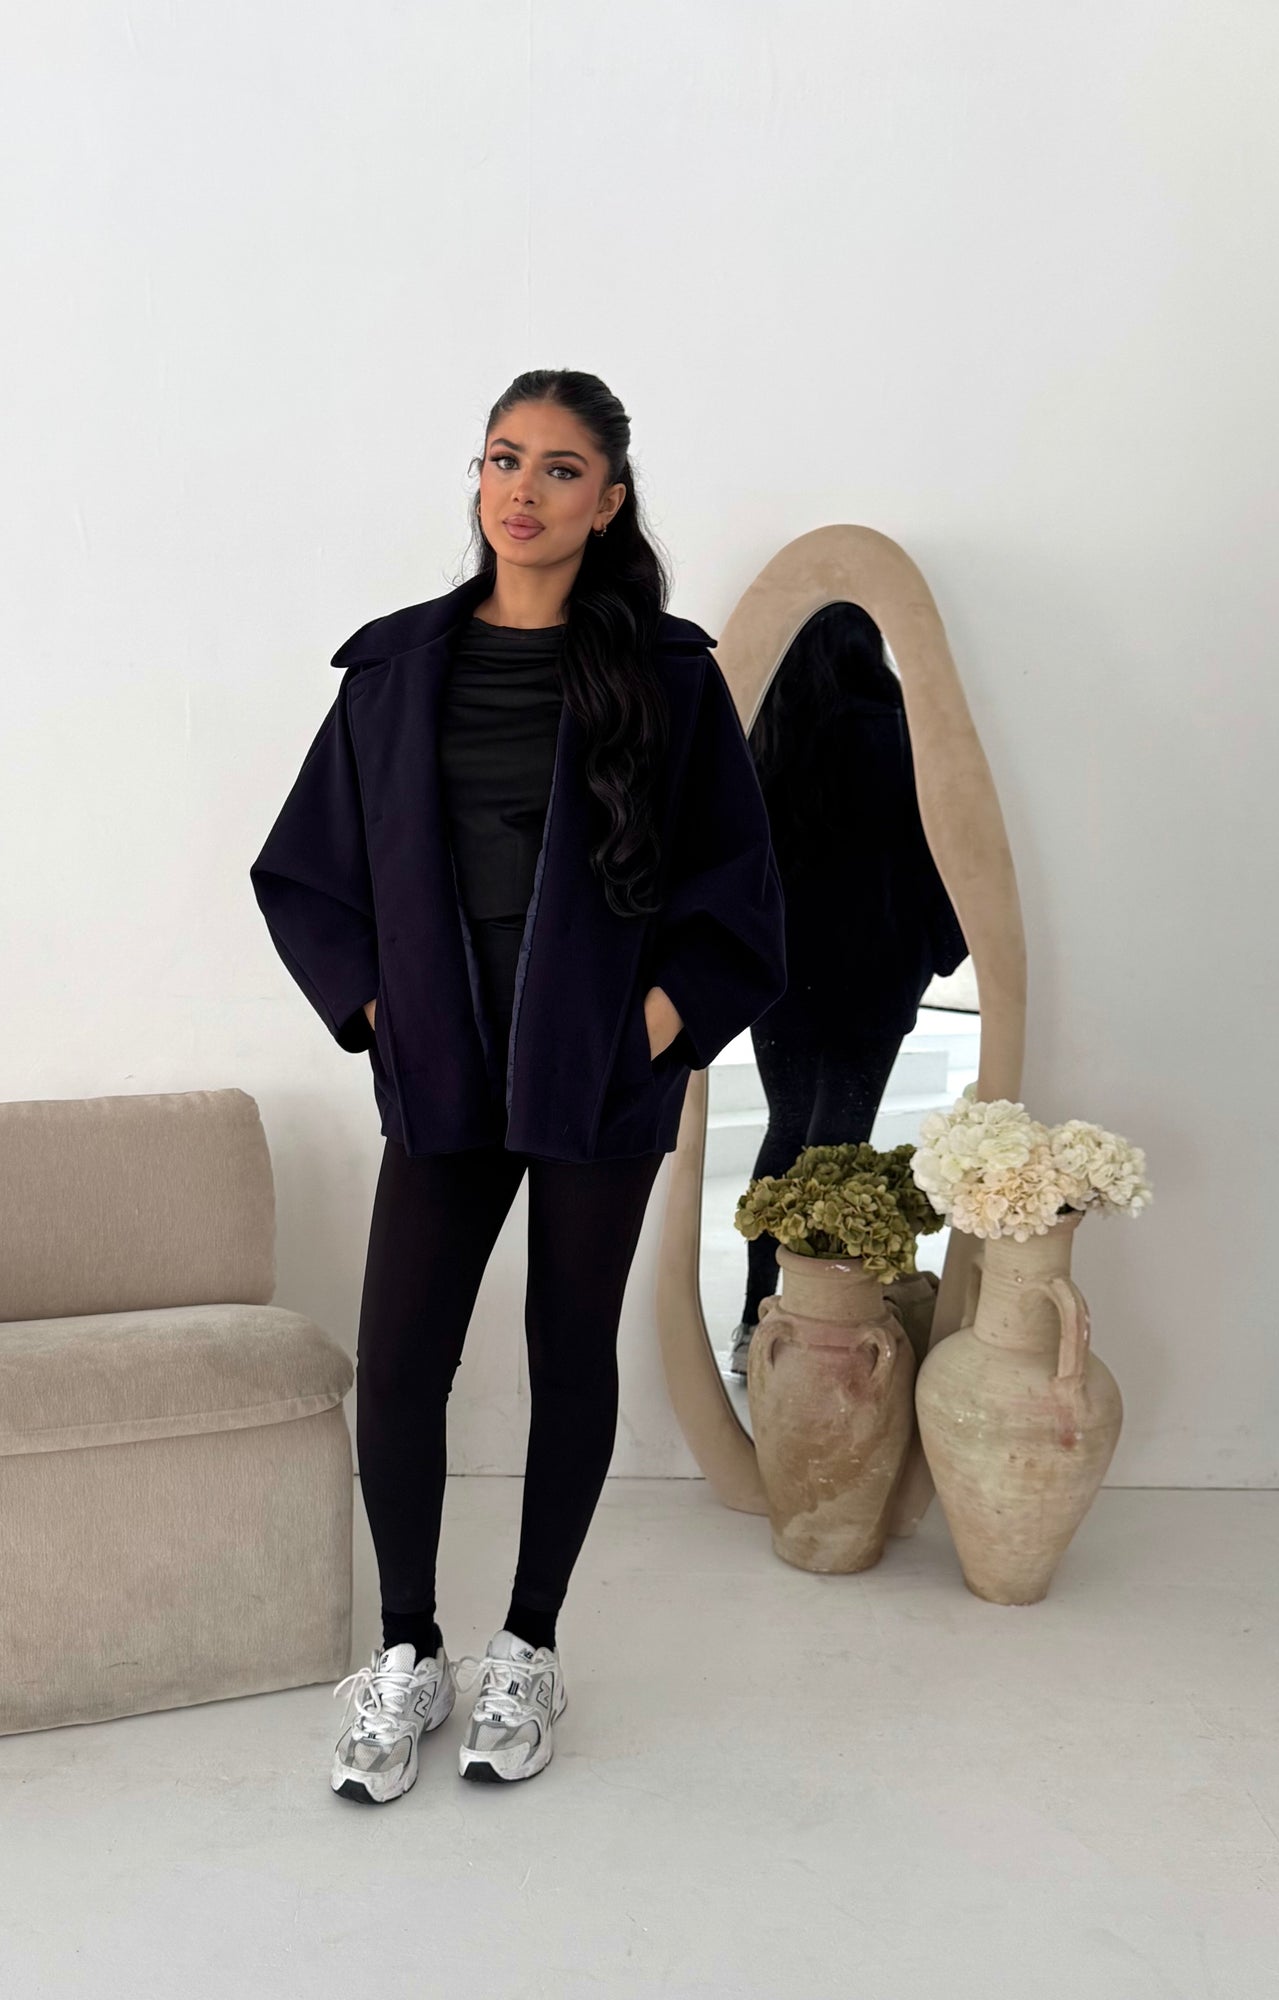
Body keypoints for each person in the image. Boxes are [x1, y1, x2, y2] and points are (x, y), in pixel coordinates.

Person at [249, 368, 787, 1803]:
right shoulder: (393, 673)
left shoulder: (666, 679)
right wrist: (380, 1011)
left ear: (608, 502)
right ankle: (408, 1648)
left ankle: (529, 1645)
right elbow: (305, 870)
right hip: (443, 1065)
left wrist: (650, 1026)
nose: (523, 490)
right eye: (503, 458)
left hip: (599, 1073)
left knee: (567, 1351)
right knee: (399, 1360)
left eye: (559, 468)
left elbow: (741, 893)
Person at [725, 602, 969, 1377]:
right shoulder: (903, 726)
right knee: (841, 1137)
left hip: (785, 965)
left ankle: (757, 1319)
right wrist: (941, 949)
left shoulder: (767, 730)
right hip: (878, 963)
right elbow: (941, 848)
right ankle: (823, 1322)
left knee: (788, 1126)